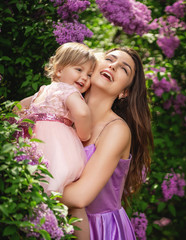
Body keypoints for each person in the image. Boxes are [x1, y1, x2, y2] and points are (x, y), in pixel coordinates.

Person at [60, 47, 154, 240]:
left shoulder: (117, 131)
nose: (113, 66)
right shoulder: (61, 107)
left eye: (123, 69)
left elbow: (80, 198)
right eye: (109, 59)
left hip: (101, 230)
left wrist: (30, 187)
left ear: (124, 92)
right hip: (56, 219)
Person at [16, 42, 96, 239]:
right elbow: (83, 113)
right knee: (68, 207)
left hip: (41, 150)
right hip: (57, 149)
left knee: (38, 197)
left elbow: (18, 108)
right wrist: (84, 135)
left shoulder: (43, 91)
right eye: (79, 69)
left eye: (89, 74)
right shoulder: (67, 91)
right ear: (59, 70)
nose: (84, 77)